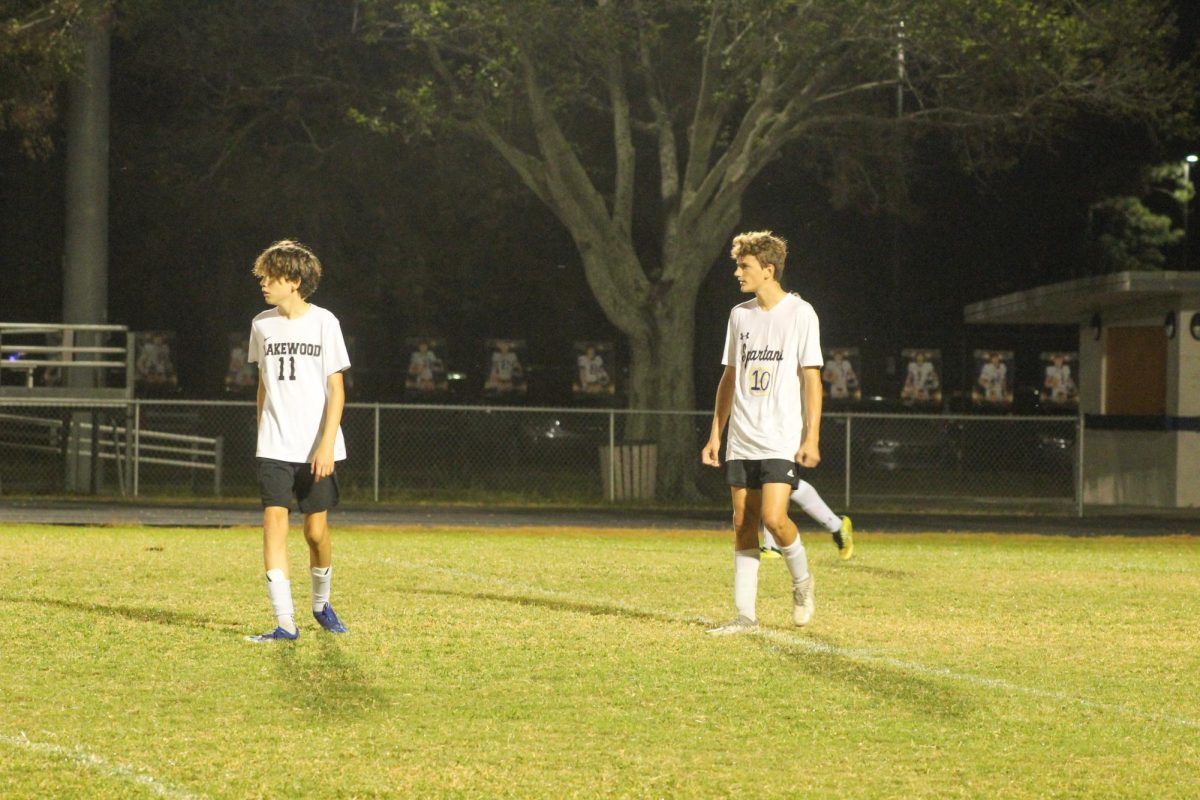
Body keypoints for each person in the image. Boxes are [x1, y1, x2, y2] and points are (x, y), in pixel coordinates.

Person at [701, 230, 849, 636]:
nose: (737, 273)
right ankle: (745, 616)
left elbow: (812, 379)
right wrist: (716, 434)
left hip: (781, 436)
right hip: (742, 438)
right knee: (742, 523)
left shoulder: (801, 314)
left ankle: (802, 583)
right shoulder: (739, 315)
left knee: (774, 517)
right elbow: (729, 378)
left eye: (744, 266)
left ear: (768, 270)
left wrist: (811, 437)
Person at [245, 240, 351, 642]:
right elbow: (262, 384)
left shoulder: (325, 322)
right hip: (275, 445)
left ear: (294, 280)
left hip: (315, 448)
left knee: (315, 534)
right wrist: (262, 429)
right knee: (273, 522)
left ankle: (321, 604)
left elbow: (336, 390)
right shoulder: (261, 324)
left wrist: (326, 445)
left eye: (271, 277)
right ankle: (285, 623)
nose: (264, 283)